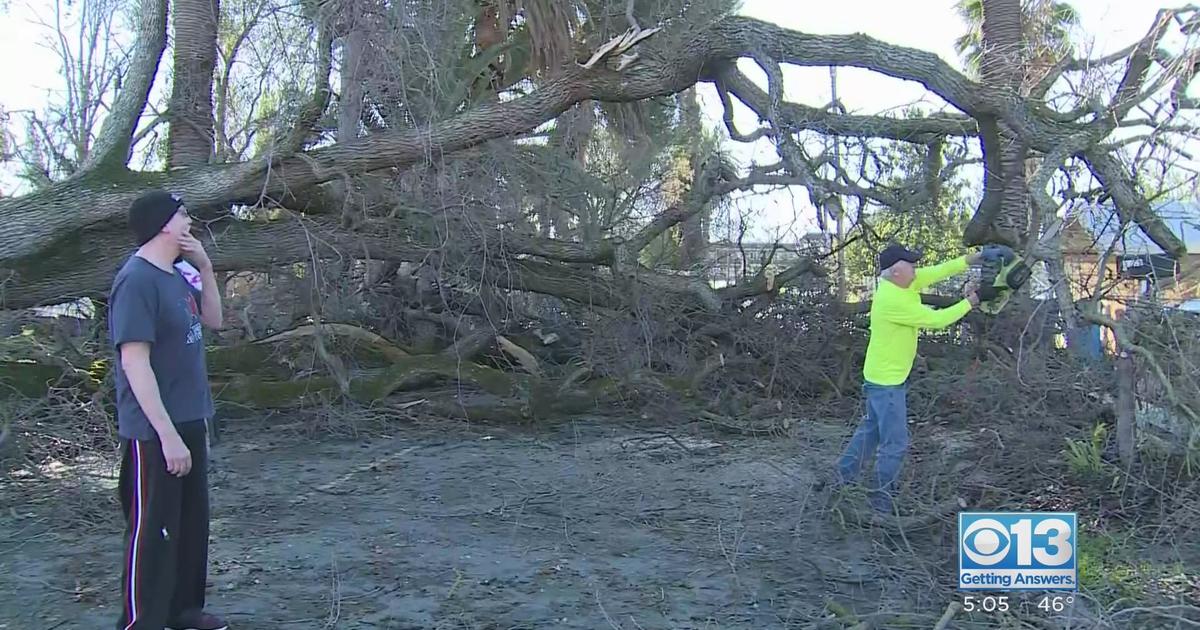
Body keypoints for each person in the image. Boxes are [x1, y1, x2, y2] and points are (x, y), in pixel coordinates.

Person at [109, 189, 227, 630]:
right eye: (183, 215)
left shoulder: (179, 273)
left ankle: (183, 612)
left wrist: (207, 269)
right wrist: (167, 434)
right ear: (163, 224)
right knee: (152, 529)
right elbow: (134, 363)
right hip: (154, 429)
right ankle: (141, 621)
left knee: (191, 523)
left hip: (191, 415)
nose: (190, 222)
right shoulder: (136, 280)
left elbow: (214, 321)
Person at [827, 242, 1014, 514]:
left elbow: (941, 270)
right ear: (895, 271)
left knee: (871, 432)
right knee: (895, 443)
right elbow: (936, 321)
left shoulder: (905, 284)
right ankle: (881, 506)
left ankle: (840, 480)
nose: (916, 268)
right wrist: (973, 301)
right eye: (910, 263)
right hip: (886, 383)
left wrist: (979, 257)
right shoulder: (893, 299)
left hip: (882, 377)